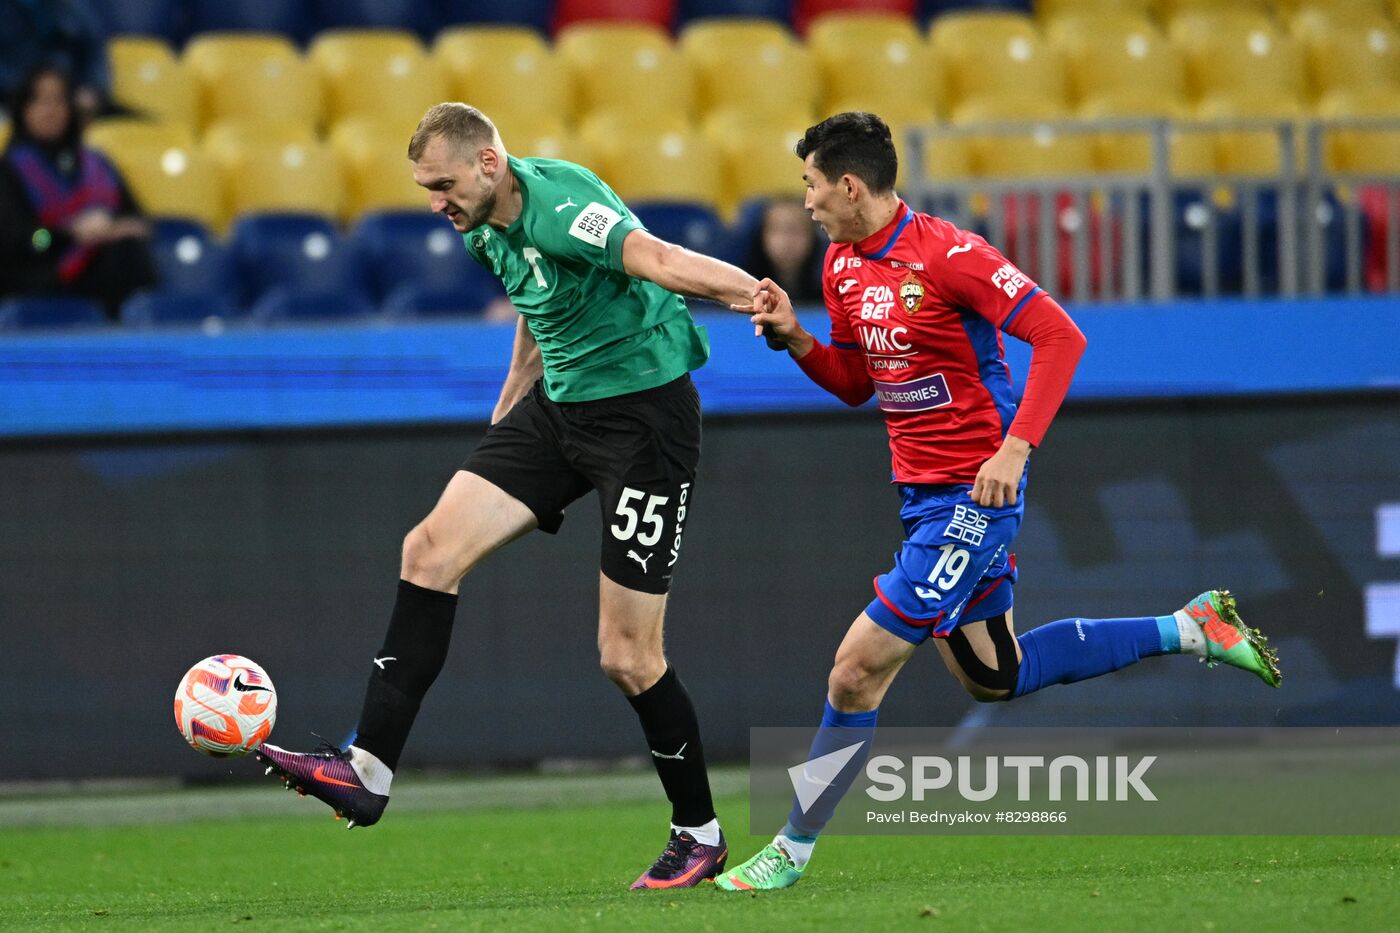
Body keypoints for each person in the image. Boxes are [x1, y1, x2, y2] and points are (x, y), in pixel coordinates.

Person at [717, 112, 1283, 892]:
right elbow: (856, 383)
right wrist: (797, 338)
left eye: (810, 184)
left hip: (976, 495)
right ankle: (1191, 627)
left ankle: (792, 846)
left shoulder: (952, 255)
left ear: (849, 185)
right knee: (994, 674)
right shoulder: (841, 267)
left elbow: (1060, 337)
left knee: (854, 673)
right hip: (921, 497)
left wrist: (1014, 450)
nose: (805, 201)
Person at [255, 102, 770, 891]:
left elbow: (657, 258)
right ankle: (366, 771)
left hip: (643, 423)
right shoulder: (481, 222)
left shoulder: (562, 207)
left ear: (489, 163)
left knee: (627, 657)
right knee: (427, 549)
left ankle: (698, 833)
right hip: (558, 411)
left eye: (442, 183)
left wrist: (753, 292)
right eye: (426, 187)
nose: (434, 202)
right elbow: (538, 310)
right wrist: (503, 429)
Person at [0, 65, 155, 318]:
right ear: (23, 109)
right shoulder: (9, 171)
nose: (50, 110)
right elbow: (23, 241)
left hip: (105, 267)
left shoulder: (98, 164)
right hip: (39, 282)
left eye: (58, 100)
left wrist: (111, 229)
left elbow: (138, 221)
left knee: (127, 252)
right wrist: (68, 234)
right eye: (39, 100)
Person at [0, 0, 109, 123]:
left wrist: (93, 88)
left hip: (68, 95)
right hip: (12, 98)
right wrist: (31, 93)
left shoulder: (64, 7)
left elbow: (92, 48)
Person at [744, 198, 824, 305]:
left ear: (813, 238)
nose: (787, 240)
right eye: (777, 229)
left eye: (796, 230)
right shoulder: (744, 286)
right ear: (762, 236)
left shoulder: (833, 287)